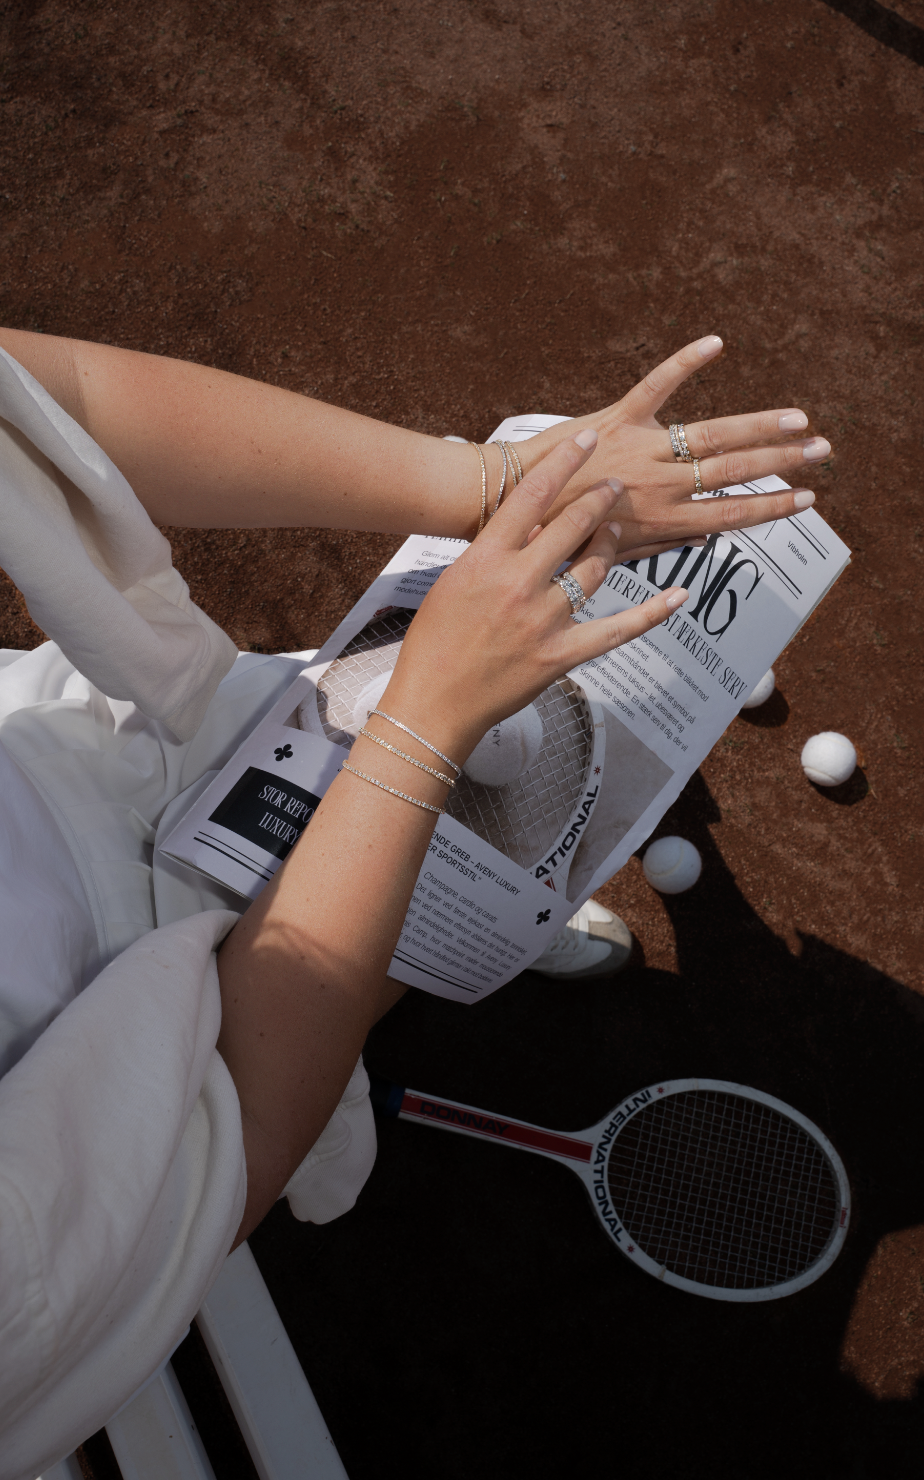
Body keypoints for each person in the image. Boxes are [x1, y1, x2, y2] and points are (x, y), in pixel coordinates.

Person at [0, 326, 829, 1476]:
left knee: (433, 756)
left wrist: (491, 486)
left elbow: (44, 400)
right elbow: (231, 1108)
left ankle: (472, 892)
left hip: (98, 744)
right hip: (162, 1017)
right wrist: (424, 725)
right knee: (437, 801)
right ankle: (452, 910)